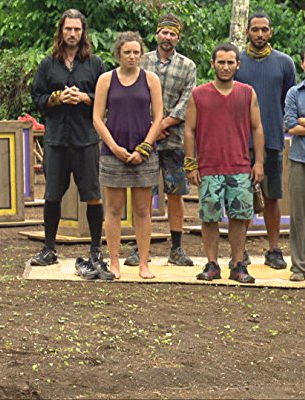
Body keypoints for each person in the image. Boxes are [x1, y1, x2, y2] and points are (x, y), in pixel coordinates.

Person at [30, 9, 114, 280]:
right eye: (68, 29)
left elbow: (106, 99)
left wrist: (84, 98)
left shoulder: (95, 63)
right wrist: (56, 97)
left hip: (86, 138)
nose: (72, 34)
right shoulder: (47, 64)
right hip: (55, 139)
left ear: (83, 32)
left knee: (92, 193)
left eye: (77, 30)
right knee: (52, 193)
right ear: (61, 31)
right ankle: (49, 248)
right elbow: (37, 97)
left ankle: (95, 250)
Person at [184, 43, 264, 283]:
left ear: (238, 65)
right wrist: (191, 164)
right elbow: (189, 130)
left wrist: (258, 162)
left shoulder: (247, 93)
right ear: (213, 64)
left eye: (230, 62)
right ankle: (211, 264)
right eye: (221, 62)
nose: (226, 67)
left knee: (240, 218)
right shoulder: (198, 94)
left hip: (240, 167)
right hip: (209, 168)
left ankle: (238, 264)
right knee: (209, 218)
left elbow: (257, 128)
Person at [124, 13, 196, 267]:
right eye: (164, 32)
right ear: (157, 34)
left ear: (178, 37)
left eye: (172, 33)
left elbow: (186, 101)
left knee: (176, 194)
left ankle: (176, 248)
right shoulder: (141, 61)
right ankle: (138, 247)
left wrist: (163, 124)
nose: (167, 37)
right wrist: (151, 129)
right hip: (144, 140)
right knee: (143, 194)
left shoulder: (188, 66)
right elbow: (132, 92)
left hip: (174, 141)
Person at [93, 31, 163, 279]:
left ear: (142, 54)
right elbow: (97, 118)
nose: (132, 57)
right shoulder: (106, 79)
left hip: (144, 154)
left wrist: (144, 147)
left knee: (143, 210)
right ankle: (114, 262)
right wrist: (114, 148)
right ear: (118, 54)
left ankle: (143, 263)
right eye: (127, 52)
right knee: (113, 209)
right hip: (113, 154)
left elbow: (158, 118)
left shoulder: (151, 80)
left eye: (136, 52)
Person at [235, 12, 296, 270]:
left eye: (264, 30)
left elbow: (289, 100)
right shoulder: (236, 62)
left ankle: (274, 249)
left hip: (271, 141)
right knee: (241, 198)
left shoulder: (284, 63)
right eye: (255, 29)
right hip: (239, 142)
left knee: (272, 197)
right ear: (248, 31)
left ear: (271, 32)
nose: (259, 34)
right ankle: (240, 251)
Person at [284, 49, 305, 281]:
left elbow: (298, 124)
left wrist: (303, 120)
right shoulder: (294, 93)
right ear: (302, 64)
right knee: (299, 215)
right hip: (299, 159)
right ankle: (299, 267)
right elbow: (290, 126)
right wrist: (297, 122)